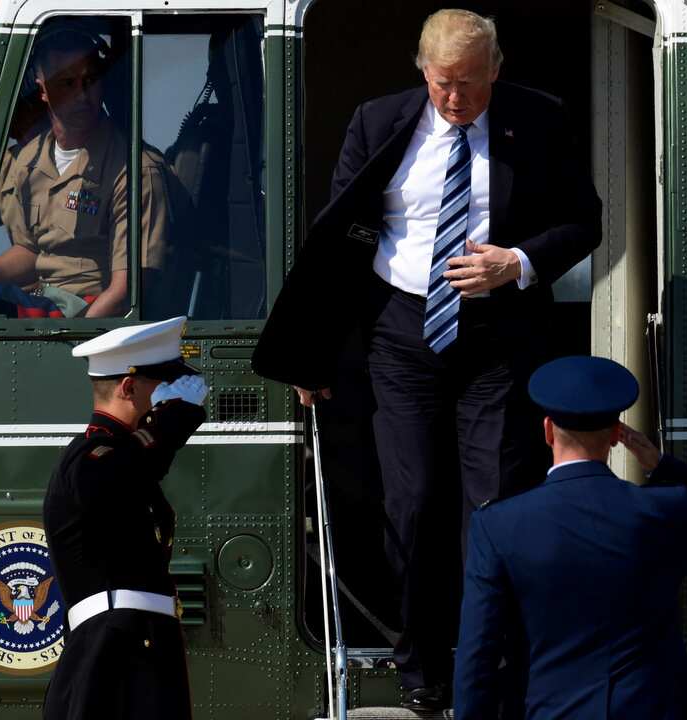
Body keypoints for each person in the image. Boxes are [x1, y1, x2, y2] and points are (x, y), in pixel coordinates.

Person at [252, 10, 601, 707]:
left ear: (497, 68)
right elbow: (336, 240)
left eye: (470, 83)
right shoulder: (378, 121)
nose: (456, 99)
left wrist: (520, 261)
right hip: (401, 332)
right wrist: (312, 352)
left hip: (499, 338)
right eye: (443, 83)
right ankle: (420, 666)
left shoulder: (538, 119)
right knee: (411, 504)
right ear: (422, 69)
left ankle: (491, 669)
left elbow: (585, 220)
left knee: (494, 507)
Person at [454, 356, 687, 719]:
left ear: (548, 431)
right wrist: (663, 466)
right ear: (618, 436)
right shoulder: (661, 512)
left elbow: (478, 654)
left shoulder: (498, 525)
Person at [42, 316, 209, 719]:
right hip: (112, 648)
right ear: (129, 387)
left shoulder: (123, 455)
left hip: (137, 639)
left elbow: (137, 468)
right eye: (161, 384)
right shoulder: (89, 457)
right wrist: (172, 421)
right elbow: (116, 476)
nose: (169, 395)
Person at [0, 24, 170, 318]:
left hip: (81, 313)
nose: (82, 95)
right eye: (67, 83)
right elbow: (30, 251)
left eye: (91, 81)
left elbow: (126, 294)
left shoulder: (136, 172)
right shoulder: (26, 162)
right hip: (40, 299)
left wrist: (73, 346)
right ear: (42, 87)